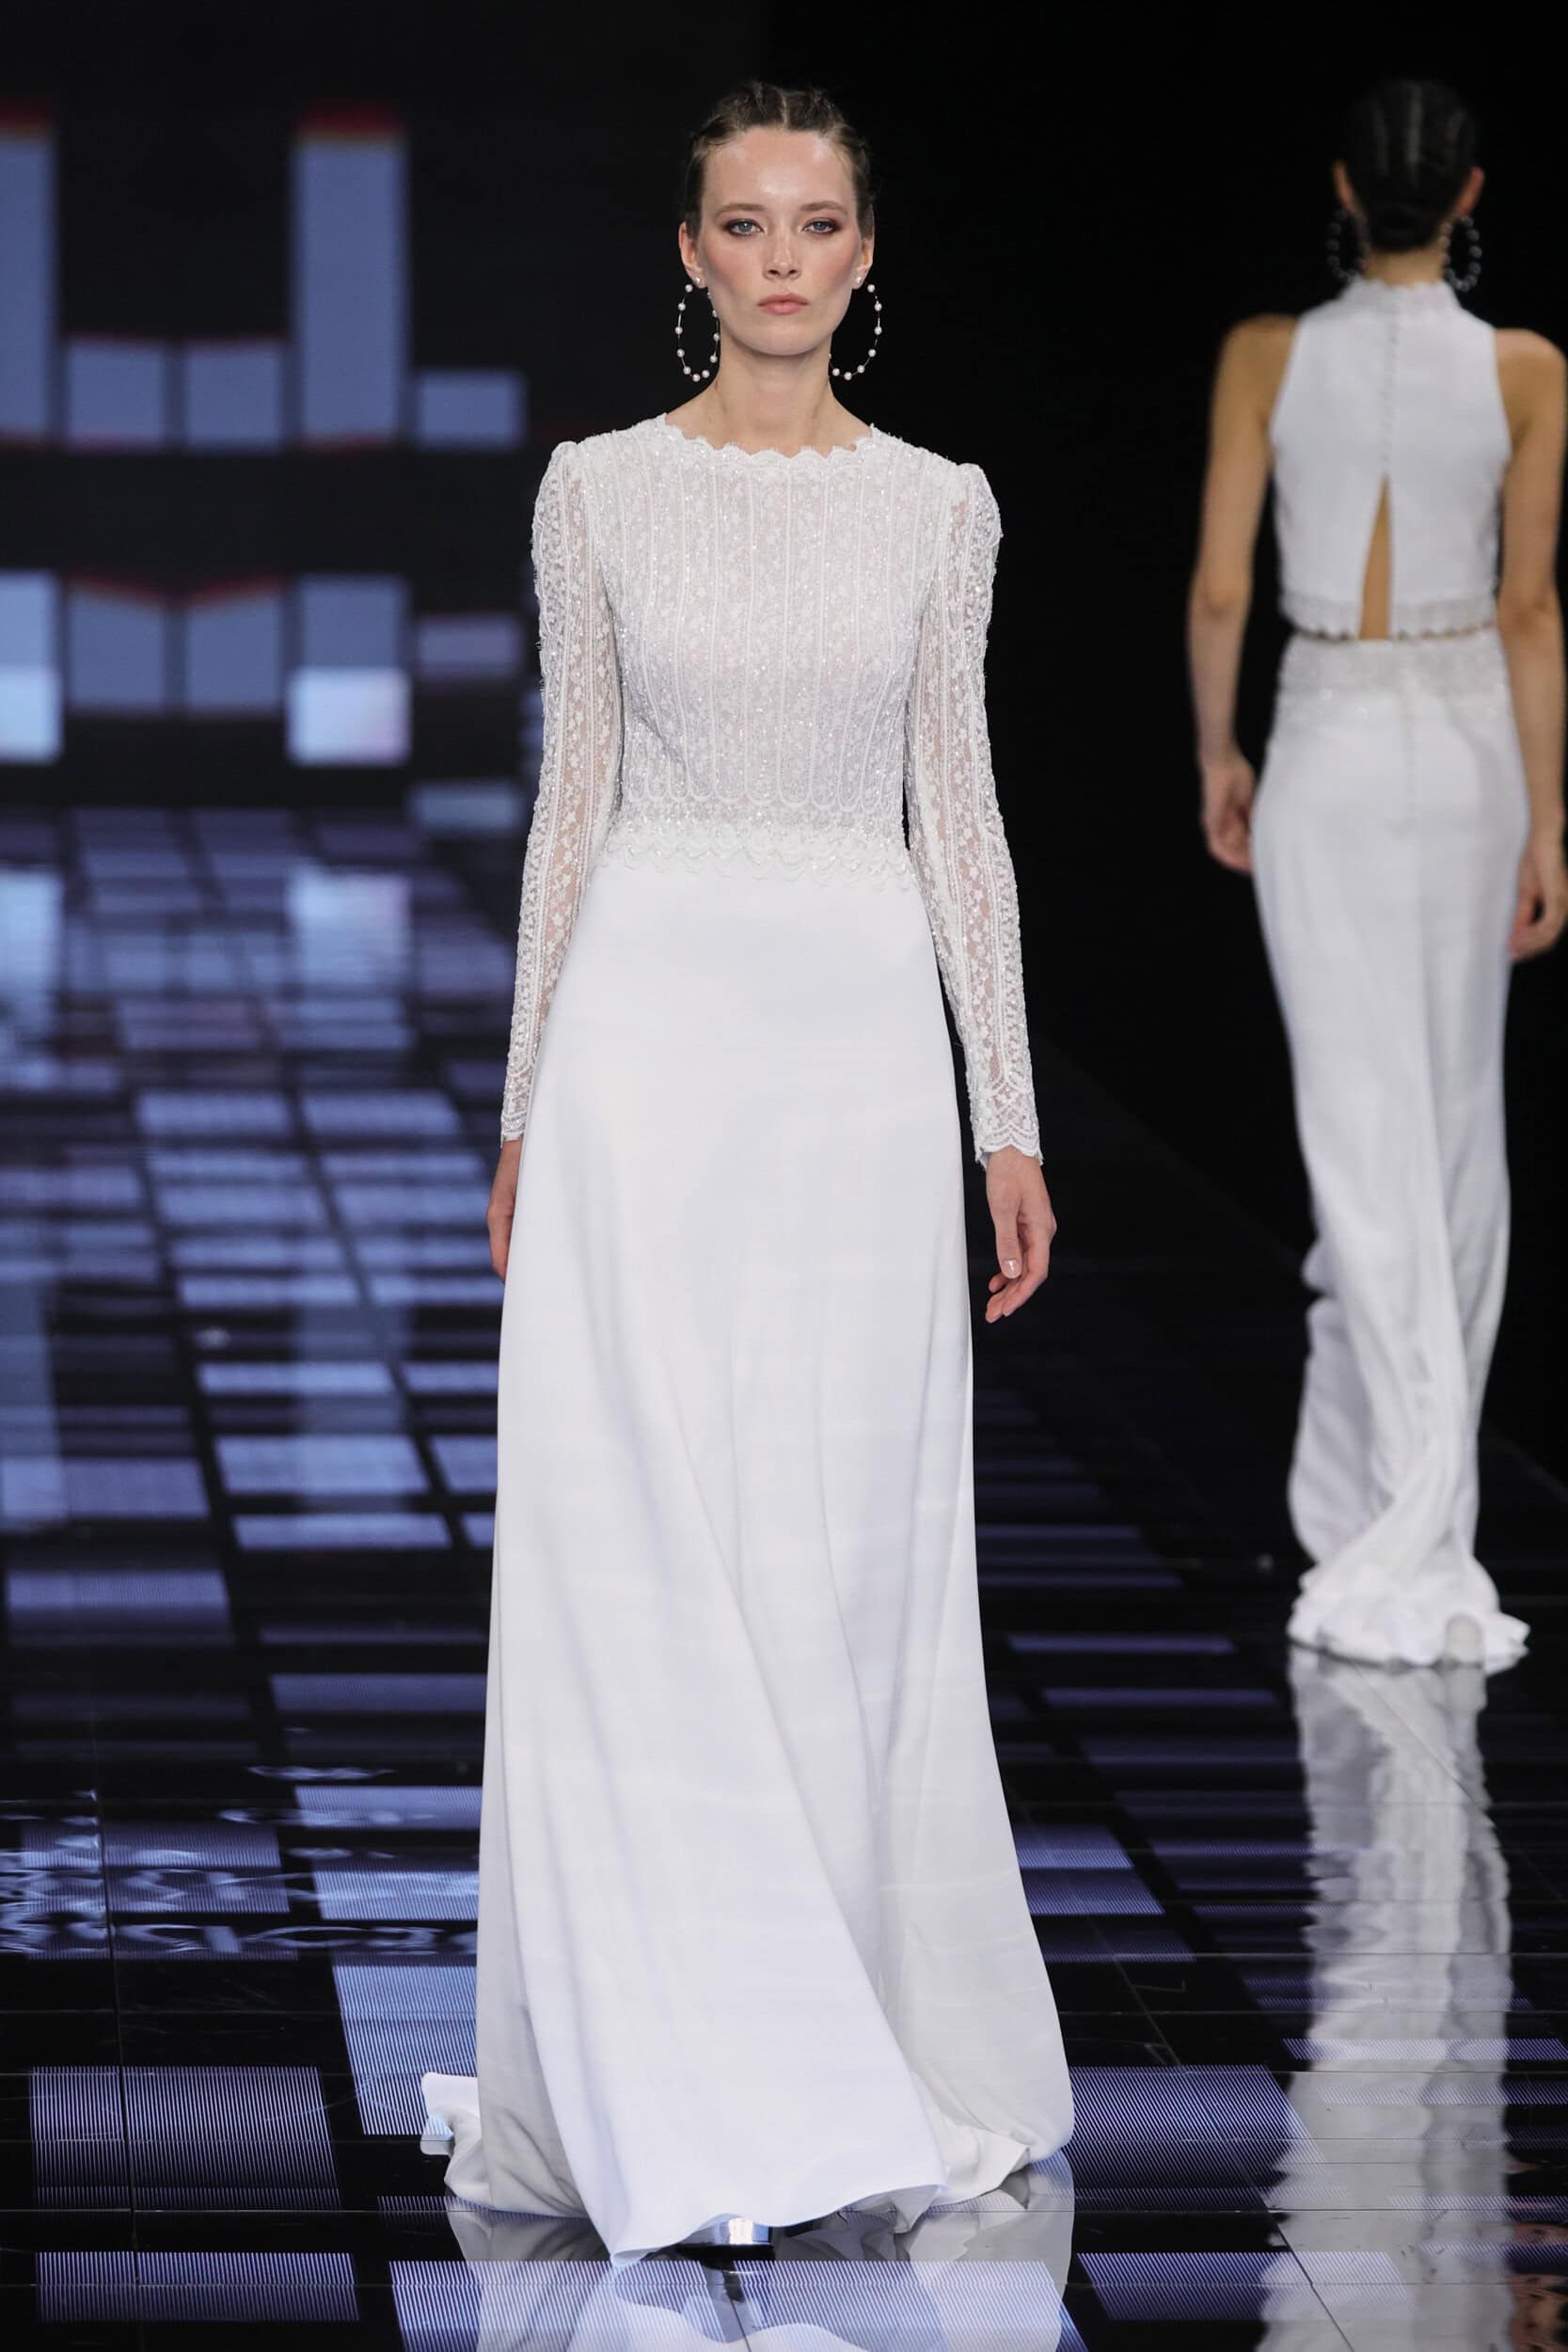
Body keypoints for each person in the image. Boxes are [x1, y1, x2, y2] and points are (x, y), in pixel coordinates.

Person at [420, 79, 1071, 2265]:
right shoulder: (595, 489)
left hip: (856, 1049)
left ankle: (828, 2026)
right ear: (690, 250)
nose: (780, 259)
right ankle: (655, 2049)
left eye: (815, 224)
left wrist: (1007, 1112)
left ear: (863, 254)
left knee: (836, 1538)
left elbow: (961, 813)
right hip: (646, 1037)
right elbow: (572, 801)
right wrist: (524, 1102)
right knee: (636, 1522)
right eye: (742, 222)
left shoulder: (941, 508)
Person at [1188, 76, 1567, 1673]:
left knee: (1357, 1126)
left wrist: (1218, 752)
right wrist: (1551, 823)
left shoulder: (1266, 354)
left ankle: (1383, 1507)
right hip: (1470, 748)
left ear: (1347, 188)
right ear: (1469, 197)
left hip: (1331, 743)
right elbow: (1531, 609)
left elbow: (1222, 588)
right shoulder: (1529, 368)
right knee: (1453, 1124)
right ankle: (1410, 1502)